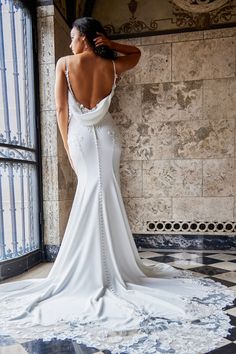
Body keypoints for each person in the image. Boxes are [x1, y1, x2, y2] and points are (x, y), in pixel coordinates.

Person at [0, 17, 234, 354]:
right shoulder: (112, 63)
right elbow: (136, 52)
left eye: (73, 37)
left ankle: (96, 268)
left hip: (81, 138)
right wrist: (108, 44)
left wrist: (68, 148)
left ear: (85, 37)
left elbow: (62, 109)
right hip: (108, 137)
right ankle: (110, 264)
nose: (69, 44)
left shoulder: (64, 64)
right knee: (103, 194)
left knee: (92, 194)